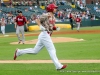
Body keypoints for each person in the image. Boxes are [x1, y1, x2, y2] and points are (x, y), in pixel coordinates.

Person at [14, 3, 67, 70]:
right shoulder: (46, 15)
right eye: (54, 8)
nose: (56, 9)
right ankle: (58, 66)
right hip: (45, 34)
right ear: (51, 8)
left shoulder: (53, 17)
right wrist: (40, 26)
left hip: (45, 35)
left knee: (35, 51)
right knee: (52, 49)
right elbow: (37, 20)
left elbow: (49, 26)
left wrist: (55, 28)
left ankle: (19, 52)